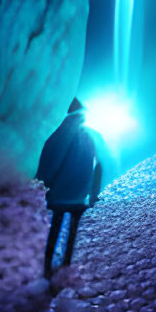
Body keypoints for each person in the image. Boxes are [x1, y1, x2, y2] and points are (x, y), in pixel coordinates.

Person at [36, 97, 102, 278]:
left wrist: (44, 185)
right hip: (80, 197)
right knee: (72, 235)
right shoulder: (91, 135)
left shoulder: (60, 133)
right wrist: (93, 195)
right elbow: (99, 166)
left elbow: (52, 162)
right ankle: (65, 267)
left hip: (59, 195)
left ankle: (47, 270)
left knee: (55, 230)